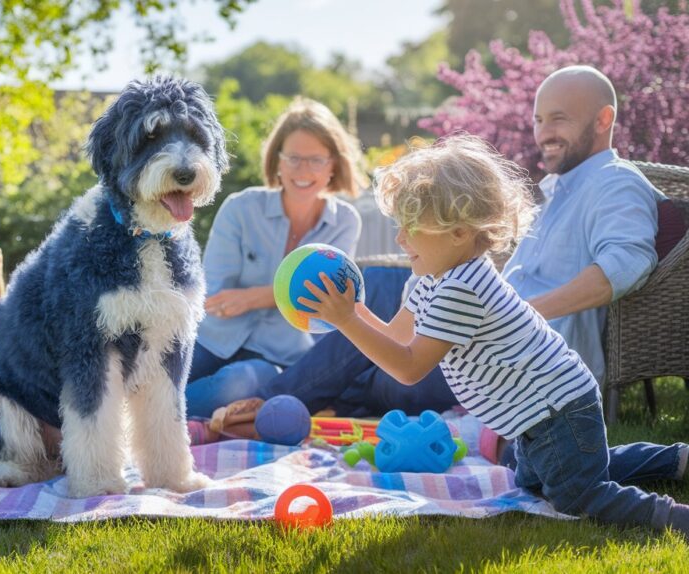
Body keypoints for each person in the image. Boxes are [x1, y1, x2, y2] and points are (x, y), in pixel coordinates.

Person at [193, 65, 666, 429]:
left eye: (559, 118)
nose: (543, 131)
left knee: (377, 315)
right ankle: (298, 402)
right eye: (539, 118)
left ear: (604, 119)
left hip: (510, 356)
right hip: (475, 327)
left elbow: (624, 266)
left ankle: (279, 404)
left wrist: (520, 312)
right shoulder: (559, 189)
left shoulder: (614, 183)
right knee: (380, 300)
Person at [299, 133, 688, 536]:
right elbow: (397, 337)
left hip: (557, 409)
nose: (399, 238)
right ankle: (673, 459)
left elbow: (410, 367)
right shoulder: (430, 280)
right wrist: (354, 310)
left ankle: (672, 517)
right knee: (537, 481)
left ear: (459, 232)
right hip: (535, 417)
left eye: (411, 226)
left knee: (577, 495)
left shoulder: (462, 288)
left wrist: (347, 320)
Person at [185, 97, 367, 417]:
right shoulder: (240, 208)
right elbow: (214, 292)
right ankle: (148, 417)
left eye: (316, 160)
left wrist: (253, 297)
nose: (303, 170)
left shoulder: (345, 222)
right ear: (277, 161)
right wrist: (282, 295)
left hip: (277, 356)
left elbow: (324, 301)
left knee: (235, 385)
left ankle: (153, 422)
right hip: (212, 337)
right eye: (294, 158)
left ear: (333, 165)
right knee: (158, 373)